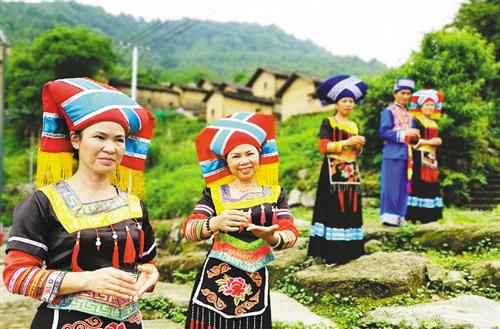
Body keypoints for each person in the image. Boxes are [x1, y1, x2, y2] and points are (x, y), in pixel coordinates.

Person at [3, 78, 158, 328]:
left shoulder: (134, 205)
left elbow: (146, 263)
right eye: (99, 137)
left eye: (119, 140)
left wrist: (149, 275)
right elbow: (17, 276)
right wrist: (87, 281)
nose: (110, 148)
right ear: (75, 140)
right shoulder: (43, 203)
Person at [182, 112, 299, 329]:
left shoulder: (275, 193)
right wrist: (213, 223)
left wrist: (272, 237)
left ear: (259, 156)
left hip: (255, 276)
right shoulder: (214, 193)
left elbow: (290, 234)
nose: (244, 161)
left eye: (249, 154)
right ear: (226, 161)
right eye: (236, 156)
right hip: (216, 273)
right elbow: (189, 229)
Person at [307, 75, 368, 266]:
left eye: (351, 101)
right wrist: (347, 142)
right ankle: (332, 253)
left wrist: (358, 146)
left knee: (351, 208)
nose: (349, 104)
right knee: (333, 209)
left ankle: (352, 249)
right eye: (344, 101)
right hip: (332, 170)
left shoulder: (353, 125)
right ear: (336, 103)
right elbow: (323, 146)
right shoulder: (329, 122)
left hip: (351, 171)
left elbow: (355, 152)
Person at [379, 77, 420, 226]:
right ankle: (388, 217)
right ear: (395, 94)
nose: (405, 96)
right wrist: (406, 134)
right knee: (390, 186)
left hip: (406, 155)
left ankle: (400, 217)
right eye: (402, 93)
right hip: (392, 154)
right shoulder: (388, 112)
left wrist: (415, 137)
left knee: (404, 186)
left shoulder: (410, 116)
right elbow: (383, 132)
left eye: (408, 94)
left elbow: (412, 138)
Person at [406, 89, 444, 223]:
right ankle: (418, 215)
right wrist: (431, 142)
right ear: (421, 107)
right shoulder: (415, 121)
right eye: (427, 105)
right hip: (419, 156)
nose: (430, 107)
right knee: (419, 183)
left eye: (432, 105)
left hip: (432, 157)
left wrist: (435, 143)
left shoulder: (434, 123)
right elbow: (412, 141)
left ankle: (431, 215)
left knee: (432, 183)